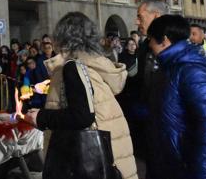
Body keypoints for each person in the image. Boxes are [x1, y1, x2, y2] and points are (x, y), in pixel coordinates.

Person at [24, 12, 137, 179]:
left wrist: (41, 117)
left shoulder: (72, 67)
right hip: (112, 155)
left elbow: (82, 116)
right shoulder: (93, 64)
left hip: (90, 161)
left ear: (63, 36)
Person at [146, 15, 206, 179]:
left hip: (198, 169)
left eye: (151, 39)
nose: (149, 44)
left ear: (164, 40)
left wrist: (201, 173)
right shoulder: (168, 68)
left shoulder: (193, 71)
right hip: (178, 164)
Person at [134, 0, 168, 173]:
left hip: (172, 131)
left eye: (140, 17)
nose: (136, 22)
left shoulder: (181, 49)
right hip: (150, 125)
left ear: (156, 16)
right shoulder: (144, 47)